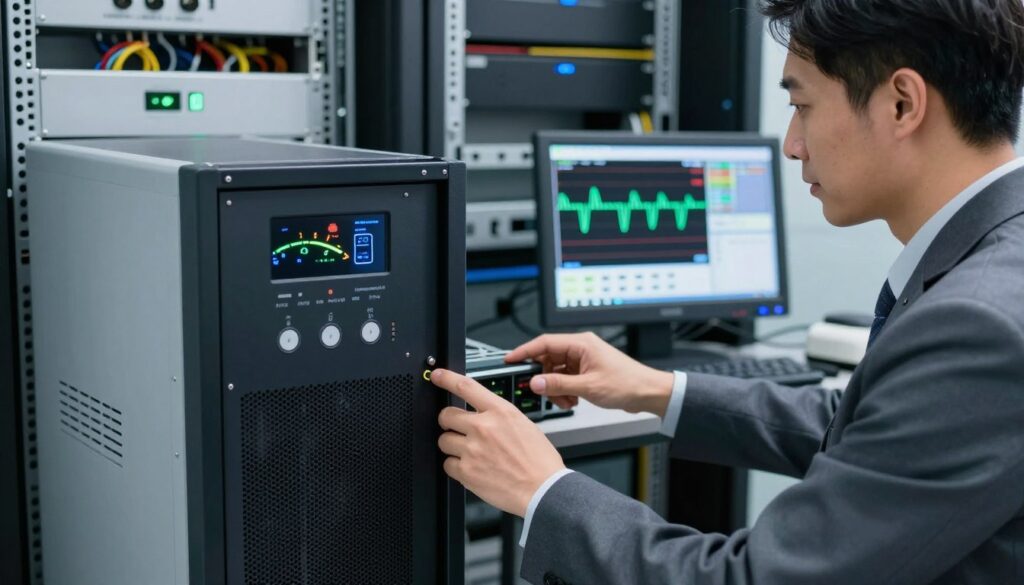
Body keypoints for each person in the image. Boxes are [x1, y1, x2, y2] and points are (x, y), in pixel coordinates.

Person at [430, 0, 1024, 582]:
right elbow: (868, 430)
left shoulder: (977, 325)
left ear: (902, 104)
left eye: (803, 105)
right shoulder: (996, 263)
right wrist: (653, 389)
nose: (793, 144)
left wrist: (541, 491)